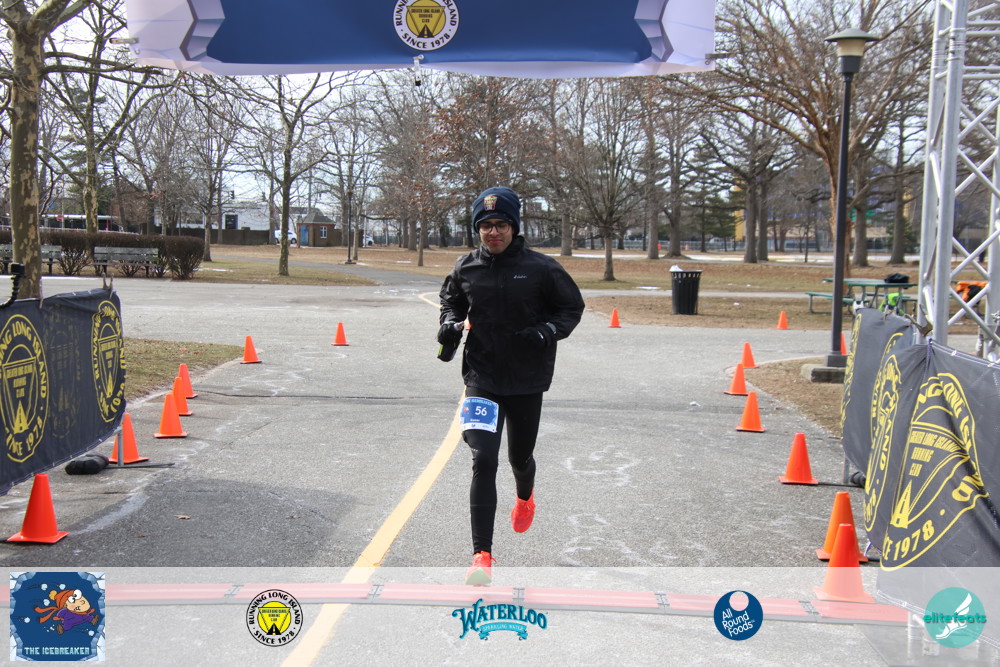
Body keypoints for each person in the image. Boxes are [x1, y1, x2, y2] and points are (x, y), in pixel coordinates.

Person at [438, 186, 585, 586]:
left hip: (526, 380)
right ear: (477, 229)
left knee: (520, 458)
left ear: (514, 227)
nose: (493, 232)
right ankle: (481, 556)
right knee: (483, 458)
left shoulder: (542, 268)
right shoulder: (466, 267)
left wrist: (546, 331)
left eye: (501, 224)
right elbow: (451, 301)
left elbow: (571, 307)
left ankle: (524, 497)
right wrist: (449, 324)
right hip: (482, 378)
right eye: (485, 225)